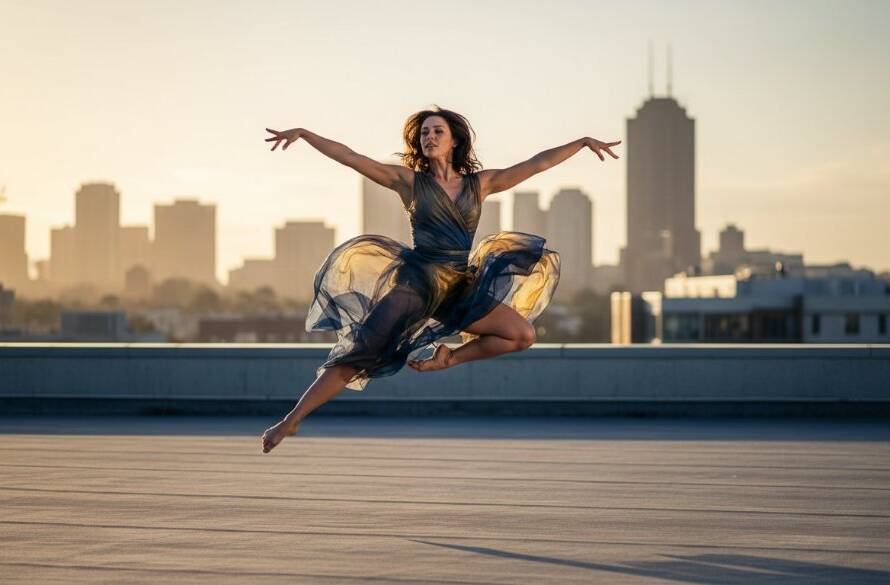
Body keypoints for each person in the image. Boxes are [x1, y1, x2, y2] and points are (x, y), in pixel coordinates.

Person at [260, 106, 620, 453]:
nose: (429, 137)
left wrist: (583, 142)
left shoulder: (481, 184)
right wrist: (306, 135)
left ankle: (448, 359)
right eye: (425, 133)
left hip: (459, 288)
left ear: (454, 141)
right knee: (358, 355)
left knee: (521, 334)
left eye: (438, 131)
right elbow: (352, 156)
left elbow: (535, 164)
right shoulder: (409, 182)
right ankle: (292, 420)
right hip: (417, 284)